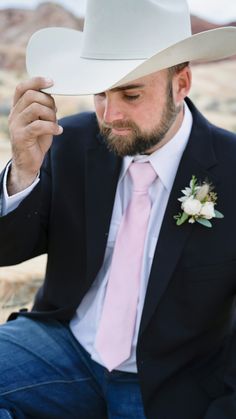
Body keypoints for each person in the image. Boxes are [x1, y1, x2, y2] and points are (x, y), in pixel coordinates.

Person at [0, 0, 236, 418]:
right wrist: (22, 172)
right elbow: (6, 251)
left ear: (181, 84)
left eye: (130, 94)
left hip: (171, 381)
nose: (111, 115)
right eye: (101, 93)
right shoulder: (68, 142)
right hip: (63, 346)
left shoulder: (232, 167)